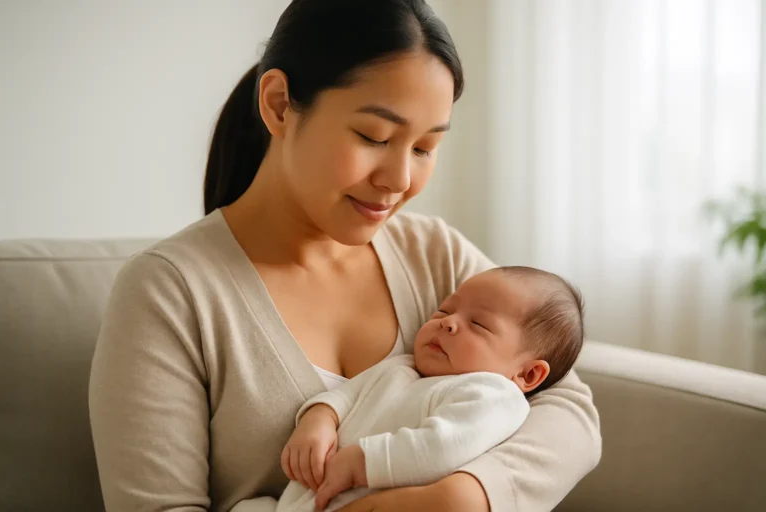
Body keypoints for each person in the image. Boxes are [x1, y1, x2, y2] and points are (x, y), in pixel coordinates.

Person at [88, 1, 602, 511]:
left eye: (424, 148)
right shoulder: (170, 292)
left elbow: (567, 406)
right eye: (373, 136)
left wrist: (461, 496)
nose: (399, 181)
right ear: (280, 105)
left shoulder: (434, 255)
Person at [229, 266, 585, 512]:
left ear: (528, 375)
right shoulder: (404, 367)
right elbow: (348, 395)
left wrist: (362, 463)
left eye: (477, 324)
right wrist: (319, 419)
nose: (447, 323)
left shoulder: (494, 395)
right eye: (444, 311)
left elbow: (445, 443)